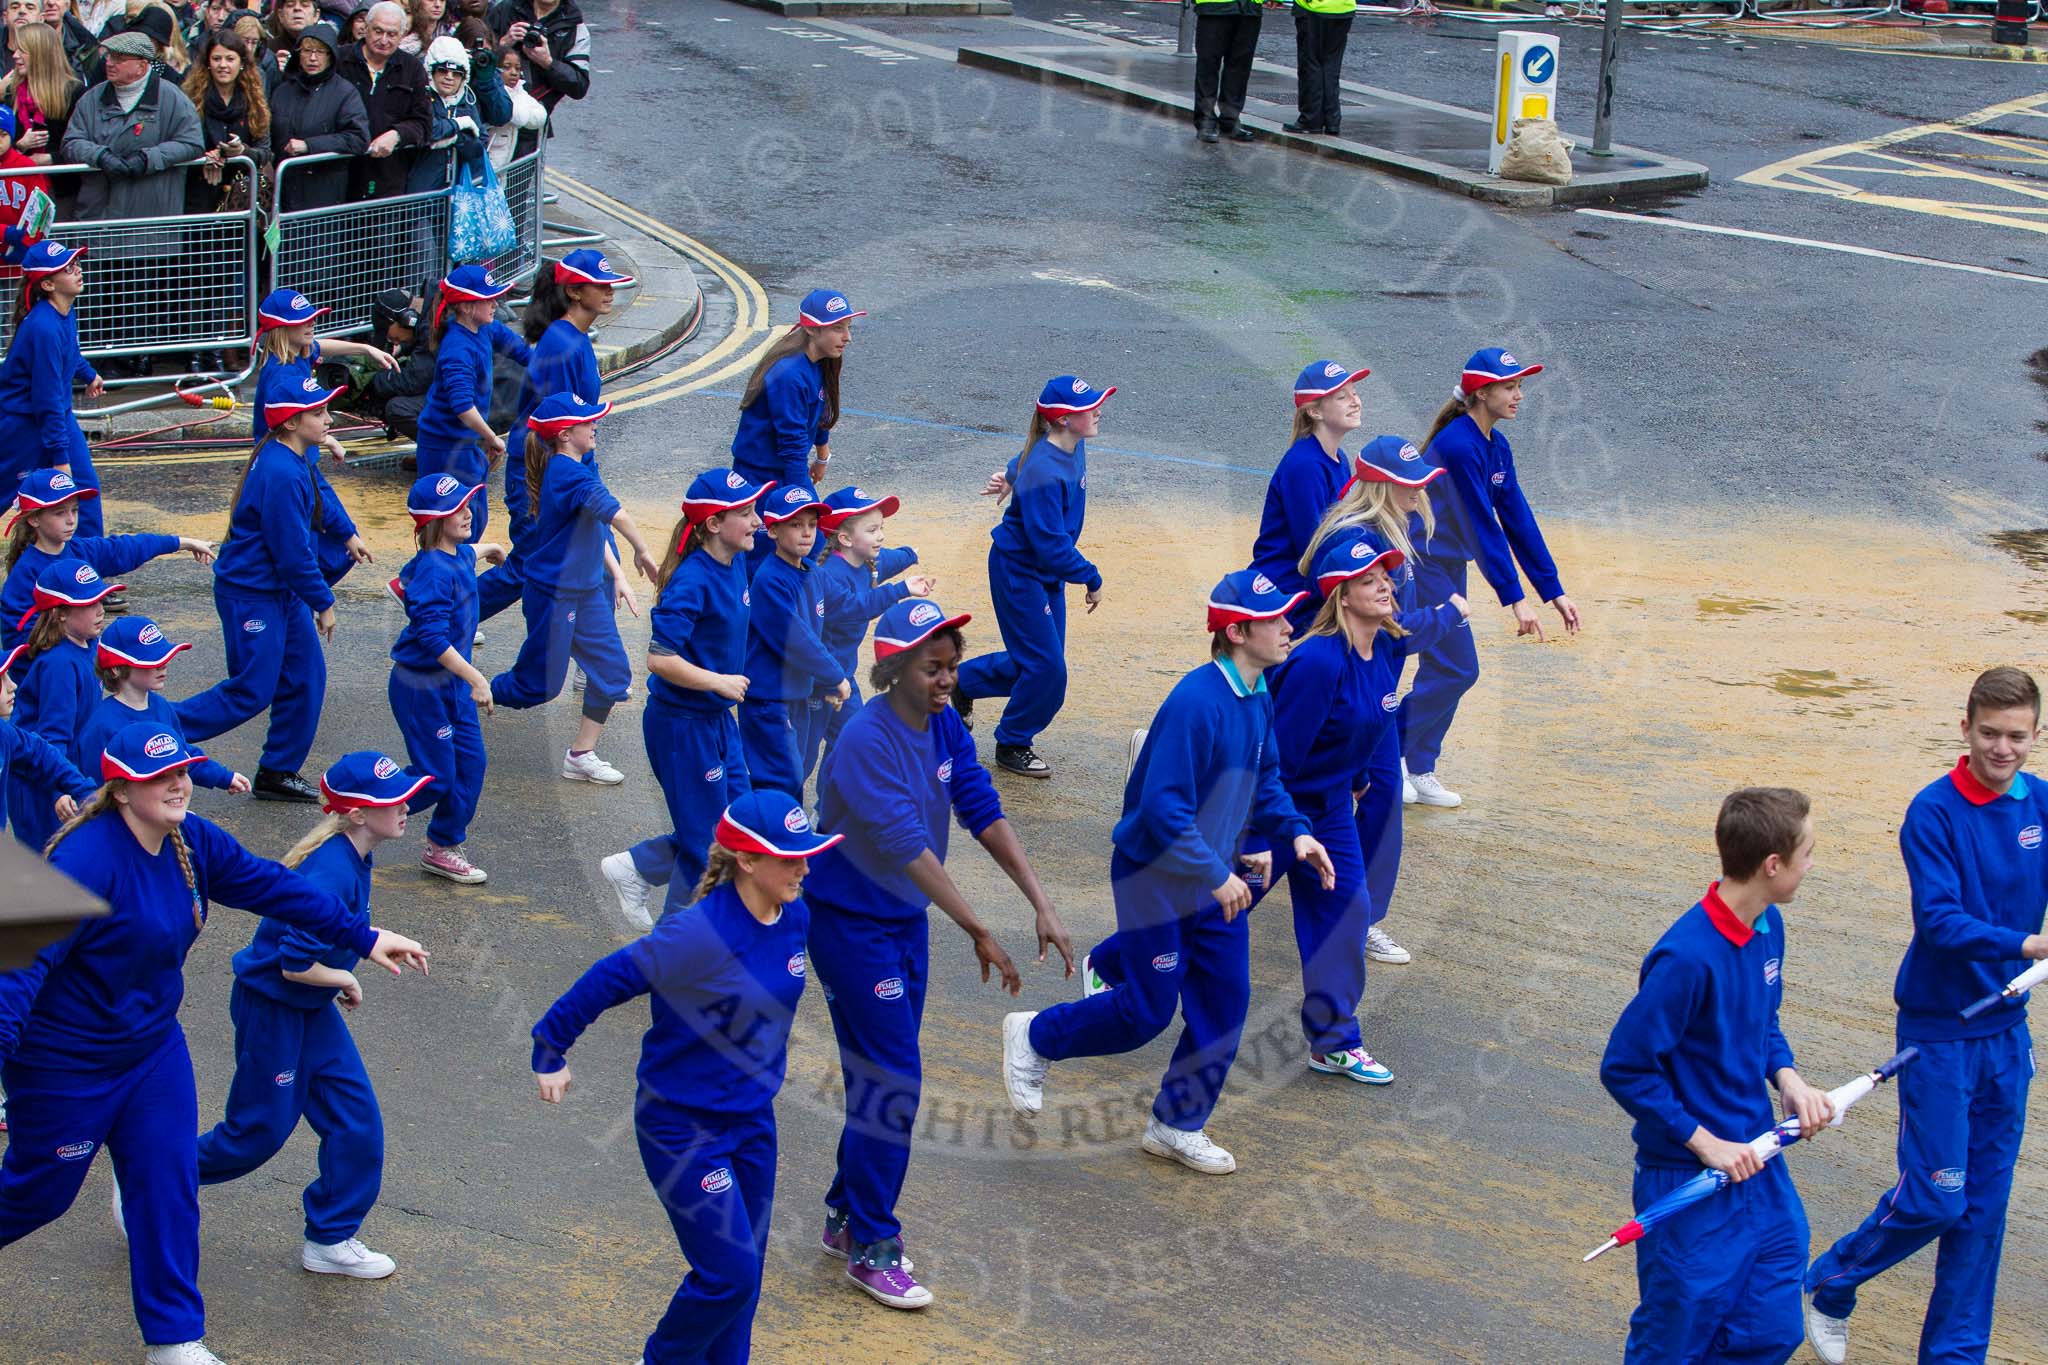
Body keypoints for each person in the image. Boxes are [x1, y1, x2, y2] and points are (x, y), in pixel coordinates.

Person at [0, 720, 427, 1365]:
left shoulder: (190, 841)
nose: (177, 786)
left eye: (181, 772)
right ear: (119, 790)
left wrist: (365, 938)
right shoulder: (80, 860)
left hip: (150, 1053)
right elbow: (12, 971)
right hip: (68, 1067)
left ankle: (174, 1340)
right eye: (158, 777)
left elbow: (272, 886)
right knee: (42, 1194)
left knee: (168, 1185)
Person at [1001, 571, 1332, 1176]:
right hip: (1156, 877)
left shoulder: (1257, 694)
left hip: (1214, 878)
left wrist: (1294, 833)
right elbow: (1161, 809)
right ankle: (1035, 1036)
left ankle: (1176, 1124)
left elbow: (1265, 781)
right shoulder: (1196, 703)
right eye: (1276, 619)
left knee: (1226, 1001)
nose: (1290, 626)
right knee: (1145, 1015)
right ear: (1237, 631)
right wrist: (1216, 871)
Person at [805, 597, 1071, 1308]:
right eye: (932, 667)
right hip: (849, 925)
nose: (947, 678)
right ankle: (873, 1245)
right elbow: (905, 845)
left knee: (880, 1075)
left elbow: (979, 805)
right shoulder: (865, 741)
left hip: (902, 921)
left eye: (953, 665)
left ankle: (842, 1213)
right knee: (894, 1079)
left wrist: (1039, 901)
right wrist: (978, 927)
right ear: (891, 669)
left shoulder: (945, 722)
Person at [1087, 530, 1416, 1084]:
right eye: (1369, 578)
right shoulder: (1315, 663)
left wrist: (1357, 779)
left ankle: (1334, 1040)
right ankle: (1116, 958)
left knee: (1348, 910)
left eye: (1386, 574)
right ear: (1340, 593)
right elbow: (1275, 756)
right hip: (1280, 809)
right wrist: (1264, 836)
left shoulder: (1385, 648)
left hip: (1329, 812)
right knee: (1213, 909)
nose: (1384, 584)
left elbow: (1371, 726)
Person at [532, 790, 838, 1365]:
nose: (804, 867)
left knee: (746, 1270)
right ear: (747, 860)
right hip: (682, 1128)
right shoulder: (697, 935)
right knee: (728, 1274)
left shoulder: (793, 911)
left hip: (752, 1122)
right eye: (790, 858)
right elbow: (608, 978)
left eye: (806, 855)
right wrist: (550, 1048)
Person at [1802, 667, 2048, 1365]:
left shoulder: (2044, 805)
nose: (2003, 748)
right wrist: (2030, 944)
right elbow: (1940, 922)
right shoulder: (1932, 811)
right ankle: (1831, 1278)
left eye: (2017, 736)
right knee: (1939, 1199)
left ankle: (1954, 1356)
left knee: (1983, 1212)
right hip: (1939, 1030)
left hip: (2007, 1033)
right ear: (1964, 727)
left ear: (2037, 735)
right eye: (1990, 733)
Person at [1599, 786, 1833, 1365]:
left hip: (1759, 1165)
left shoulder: (1768, 925)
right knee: (1674, 1339)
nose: (1812, 864)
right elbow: (1624, 1067)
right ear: (1772, 865)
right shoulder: (1686, 959)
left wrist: (1789, 1079)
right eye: (1807, 853)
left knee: (1772, 1327)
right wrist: (1706, 1144)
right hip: (1689, 1181)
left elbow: (1761, 1022)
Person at [196, 751, 429, 1284]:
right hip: (273, 1008)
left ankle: (329, 1239)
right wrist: (345, 977)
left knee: (355, 1121)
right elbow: (295, 963)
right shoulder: (332, 871)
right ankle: (150, 1175)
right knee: (257, 1133)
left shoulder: (354, 855)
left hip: (307, 1008)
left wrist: (347, 966)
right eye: (392, 801)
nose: (406, 808)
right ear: (356, 815)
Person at [1298, 435, 1465, 966]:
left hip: (1373, 696)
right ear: (1381, 486)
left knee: (1377, 801)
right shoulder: (1355, 540)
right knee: (1293, 801)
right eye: (1409, 485)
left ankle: (1358, 917)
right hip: (1344, 698)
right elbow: (1387, 629)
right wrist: (1447, 616)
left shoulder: (1394, 533)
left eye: (1421, 483)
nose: (1419, 493)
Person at [1405, 347, 1581, 810]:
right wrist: (1515, 600)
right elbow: (1481, 526)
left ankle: (1416, 766)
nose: (1519, 395)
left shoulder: (1495, 445)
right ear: (1482, 394)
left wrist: (1552, 590)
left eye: (1520, 385)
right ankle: (1386, 756)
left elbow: (1517, 518)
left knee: (1446, 669)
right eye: (1509, 386)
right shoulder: (1460, 445)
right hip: (1420, 566)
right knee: (1458, 668)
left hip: (1447, 566)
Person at [597, 468, 769, 933]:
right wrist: (718, 681)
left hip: (715, 720)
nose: (758, 522)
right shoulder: (693, 580)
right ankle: (672, 958)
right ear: (713, 524)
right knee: (707, 846)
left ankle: (637, 867)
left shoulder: (737, 561)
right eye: (747, 513)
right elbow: (659, 659)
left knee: (740, 826)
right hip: (682, 726)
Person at [177, 377, 354, 804]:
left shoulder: (298, 454)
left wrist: (347, 533)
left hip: (278, 590)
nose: (328, 419)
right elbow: (291, 553)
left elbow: (316, 504)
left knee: (306, 677)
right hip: (253, 594)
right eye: (318, 413)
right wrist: (323, 601)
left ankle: (277, 771)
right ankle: (155, 729)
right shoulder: (280, 472)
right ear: (291, 422)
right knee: (252, 689)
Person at [487, 391, 659, 785]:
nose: (595, 424)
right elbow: (614, 512)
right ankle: (468, 692)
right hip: (553, 595)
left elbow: (595, 529)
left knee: (613, 675)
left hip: (584, 592)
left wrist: (616, 573)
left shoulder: (577, 468)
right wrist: (642, 548)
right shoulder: (567, 472)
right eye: (588, 421)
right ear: (565, 434)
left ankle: (580, 754)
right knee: (537, 687)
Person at [954, 374, 1110, 779]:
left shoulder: (1067, 445)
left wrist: (1009, 474)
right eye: (1086, 409)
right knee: (1047, 670)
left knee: (1038, 663)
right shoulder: (1045, 469)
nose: (1097, 411)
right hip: (1020, 572)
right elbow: (1051, 546)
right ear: (1062, 419)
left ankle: (960, 682)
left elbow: (1029, 455)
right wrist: (1091, 577)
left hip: (1042, 574)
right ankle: (1013, 742)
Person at [478, 248, 631, 623]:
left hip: (565, 467)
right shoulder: (562, 345)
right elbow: (558, 427)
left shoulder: (573, 339)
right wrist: (576, 482)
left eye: (612, 284)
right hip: (541, 472)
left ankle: (599, 667)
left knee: (600, 555)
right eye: (601, 285)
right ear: (575, 293)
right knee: (531, 562)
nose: (610, 291)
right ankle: (442, 613)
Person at [388, 473, 502, 883]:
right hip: (421, 686)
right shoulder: (436, 570)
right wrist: (478, 678)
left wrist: (490, 549)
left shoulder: (454, 554)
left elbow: (467, 556)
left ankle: (441, 846)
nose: (469, 512)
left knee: (471, 765)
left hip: (450, 685)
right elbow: (433, 638)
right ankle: (362, 814)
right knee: (436, 776)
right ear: (434, 521)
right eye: (457, 509)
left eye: (468, 503)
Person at [2, 466, 214, 652]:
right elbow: (19, 638)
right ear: (33, 519)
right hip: (49, 683)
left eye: (75, 510)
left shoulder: (81, 550)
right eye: (59, 513)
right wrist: (69, 648)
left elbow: (125, 548)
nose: (71, 520)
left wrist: (181, 542)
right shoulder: (26, 573)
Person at [809, 485, 933, 780]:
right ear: (845, 538)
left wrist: (910, 554)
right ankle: (774, 812)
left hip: (842, 676)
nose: (881, 536)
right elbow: (855, 606)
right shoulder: (830, 575)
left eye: (881, 528)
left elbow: (889, 559)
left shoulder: (866, 562)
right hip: (816, 680)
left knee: (851, 742)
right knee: (800, 759)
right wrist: (902, 589)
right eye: (873, 530)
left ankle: (826, 813)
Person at [730, 288, 859, 568]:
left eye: (847, 327)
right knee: (767, 558)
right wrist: (807, 506)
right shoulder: (789, 375)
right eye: (838, 328)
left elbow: (818, 410)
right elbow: (792, 447)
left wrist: (822, 454)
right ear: (812, 329)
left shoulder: (817, 363)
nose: (847, 337)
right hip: (762, 481)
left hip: (782, 473)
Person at [741, 483, 848, 800]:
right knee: (781, 782)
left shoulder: (811, 571)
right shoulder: (770, 579)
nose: (806, 533)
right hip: (770, 700)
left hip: (796, 695)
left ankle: (767, 839)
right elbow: (795, 636)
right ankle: (765, 842)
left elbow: (850, 605)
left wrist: (897, 590)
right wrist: (835, 675)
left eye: (812, 525)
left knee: (793, 775)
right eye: (795, 525)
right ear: (772, 531)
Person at [1248, 359, 1369, 631]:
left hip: (1304, 587)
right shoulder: (1306, 465)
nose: (1355, 401)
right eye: (1341, 396)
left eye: (1355, 393)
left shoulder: (1338, 459)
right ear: (1314, 411)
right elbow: (1312, 545)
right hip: (1285, 594)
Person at [6, 556, 114, 850]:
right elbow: (53, 736)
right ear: (59, 614)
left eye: (101, 600)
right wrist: (58, 789)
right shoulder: (60, 665)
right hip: (38, 784)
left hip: (61, 771)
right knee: (47, 869)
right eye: (88, 605)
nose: (100, 610)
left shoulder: (88, 646)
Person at [416, 264, 530, 540]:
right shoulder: (458, 348)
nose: (495, 303)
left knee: (473, 520)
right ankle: (422, 581)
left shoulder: (487, 329)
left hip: (465, 445)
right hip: (445, 448)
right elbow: (463, 407)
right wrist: (492, 438)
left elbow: (522, 352)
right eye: (487, 299)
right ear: (466, 307)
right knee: (451, 530)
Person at [75, 616, 249, 795]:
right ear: (116, 669)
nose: (163, 666)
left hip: (156, 810)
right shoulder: (102, 725)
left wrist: (222, 776)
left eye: (164, 657)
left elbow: (182, 753)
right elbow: (94, 790)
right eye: (152, 661)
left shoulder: (161, 706)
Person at [0, 242, 102, 530]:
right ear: (47, 284)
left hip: (56, 417)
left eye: (76, 264)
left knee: (85, 490)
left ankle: (86, 567)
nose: (78, 271)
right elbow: (46, 398)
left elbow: (69, 353)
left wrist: (89, 373)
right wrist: (59, 457)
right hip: (24, 425)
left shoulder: (64, 311)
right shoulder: (43, 327)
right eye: (68, 269)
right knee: (5, 492)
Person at [0, 635, 92, 842]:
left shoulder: (4, 733)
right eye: (1, 680)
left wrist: (86, 791)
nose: (13, 685)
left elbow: (40, 753)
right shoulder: (59, 664)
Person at [267, 19, 364, 212]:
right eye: (306, 51)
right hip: (284, 190)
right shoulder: (283, 90)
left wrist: (309, 146)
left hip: (322, 194)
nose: (313, 58)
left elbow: (358, 138)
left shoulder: (344, 92)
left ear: (330, 56)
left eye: (320, 52)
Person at [336, 0, 428, 199]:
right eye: (378, 31)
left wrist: (398, 134)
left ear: (402, 35)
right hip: (341, 174)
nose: (384, 39)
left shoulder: (412, 69)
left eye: (392, 34)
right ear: (366, 29)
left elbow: (423, 122)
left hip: (388, 180)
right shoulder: (339, 61)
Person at [180, 30, 269, 216]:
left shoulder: (254, 100)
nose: (223, 65)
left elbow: (265, 151)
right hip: (200, 195)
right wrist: (208, 157)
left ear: (242, 63)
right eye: (216, 58)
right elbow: (181, 142)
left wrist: (241, 151)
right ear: (208, 63)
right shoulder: (190, 99)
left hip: (241, 200)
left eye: (230, 59)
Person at [406, 33, 503, 192]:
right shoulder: (420, 97)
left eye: (456, 73)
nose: (449, 78)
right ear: (431, 72)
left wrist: (457, 139)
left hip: (459, 191)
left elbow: (480, 145)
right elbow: (427, 130)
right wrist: (459, 125)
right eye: (443, 71)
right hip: (421, 193)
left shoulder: (467, 101)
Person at [5, 20, 81, 186]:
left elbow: (83, 144)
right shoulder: (11, 93)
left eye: (22, 50)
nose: (15, 55)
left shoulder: (73, 91)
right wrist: (20, 146)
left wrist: (50, 158)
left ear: (41, 53)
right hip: (19, 187)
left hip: (61, 187)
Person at [487, 0, 587, 125]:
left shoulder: (575, 25)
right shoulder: (504, 10)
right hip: (492, 112)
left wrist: (548, 63)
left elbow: (579, 86)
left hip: (533, 118)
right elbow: (475, 59)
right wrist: (502, 44)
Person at [1190, 0, 1260, 144]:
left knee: (1240, 67)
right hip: (1215, 6)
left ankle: (1230, 120)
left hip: (1249, 7)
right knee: (1208, 64)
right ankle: (1205, 122)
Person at [1285, 0, 1353, 135]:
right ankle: (1332, 121)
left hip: (1313, 8)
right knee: (1331, 67)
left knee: (1311, 65)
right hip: (1344, 8)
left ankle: (1310, 120)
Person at [483, 39, 542, 167]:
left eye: (517, 68)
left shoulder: (518, 91)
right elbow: (520, 118)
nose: (514, 73)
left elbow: (540, 117)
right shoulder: (497, 93)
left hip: (503, 162)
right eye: (507, 67)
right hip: (489, 163)